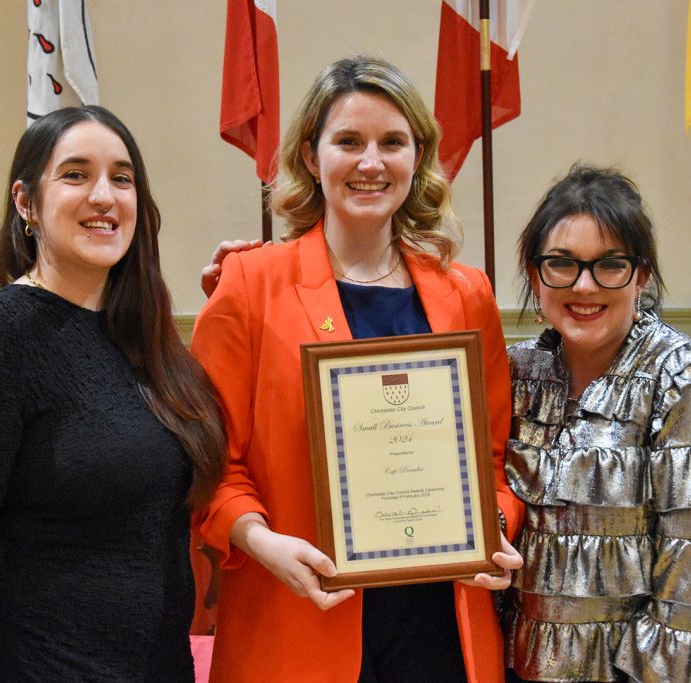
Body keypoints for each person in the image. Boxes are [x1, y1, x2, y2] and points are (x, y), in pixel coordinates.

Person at [190, 55, 524, 682]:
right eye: (348, 141)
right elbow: (208, 461)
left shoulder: (467, 294)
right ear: (312, 158)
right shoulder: (249, 285)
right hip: (300, 619)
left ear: (417, 157)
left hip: (441, 628)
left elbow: (494, 461)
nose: (371, 163)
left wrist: (494, 529)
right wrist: (260, 541)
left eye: (392, 142)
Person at [0, 105, 226, 682]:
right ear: (25, 203)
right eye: (76, 174)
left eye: (122, 177)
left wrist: (244, 295)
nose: (104, 196)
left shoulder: (144, 339)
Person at [504, 165, 691, 682]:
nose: (584, 285)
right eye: (562, 264)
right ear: (536, 275)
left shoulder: (685, 379)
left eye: (610, 265)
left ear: (641, 274)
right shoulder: (513, 372)